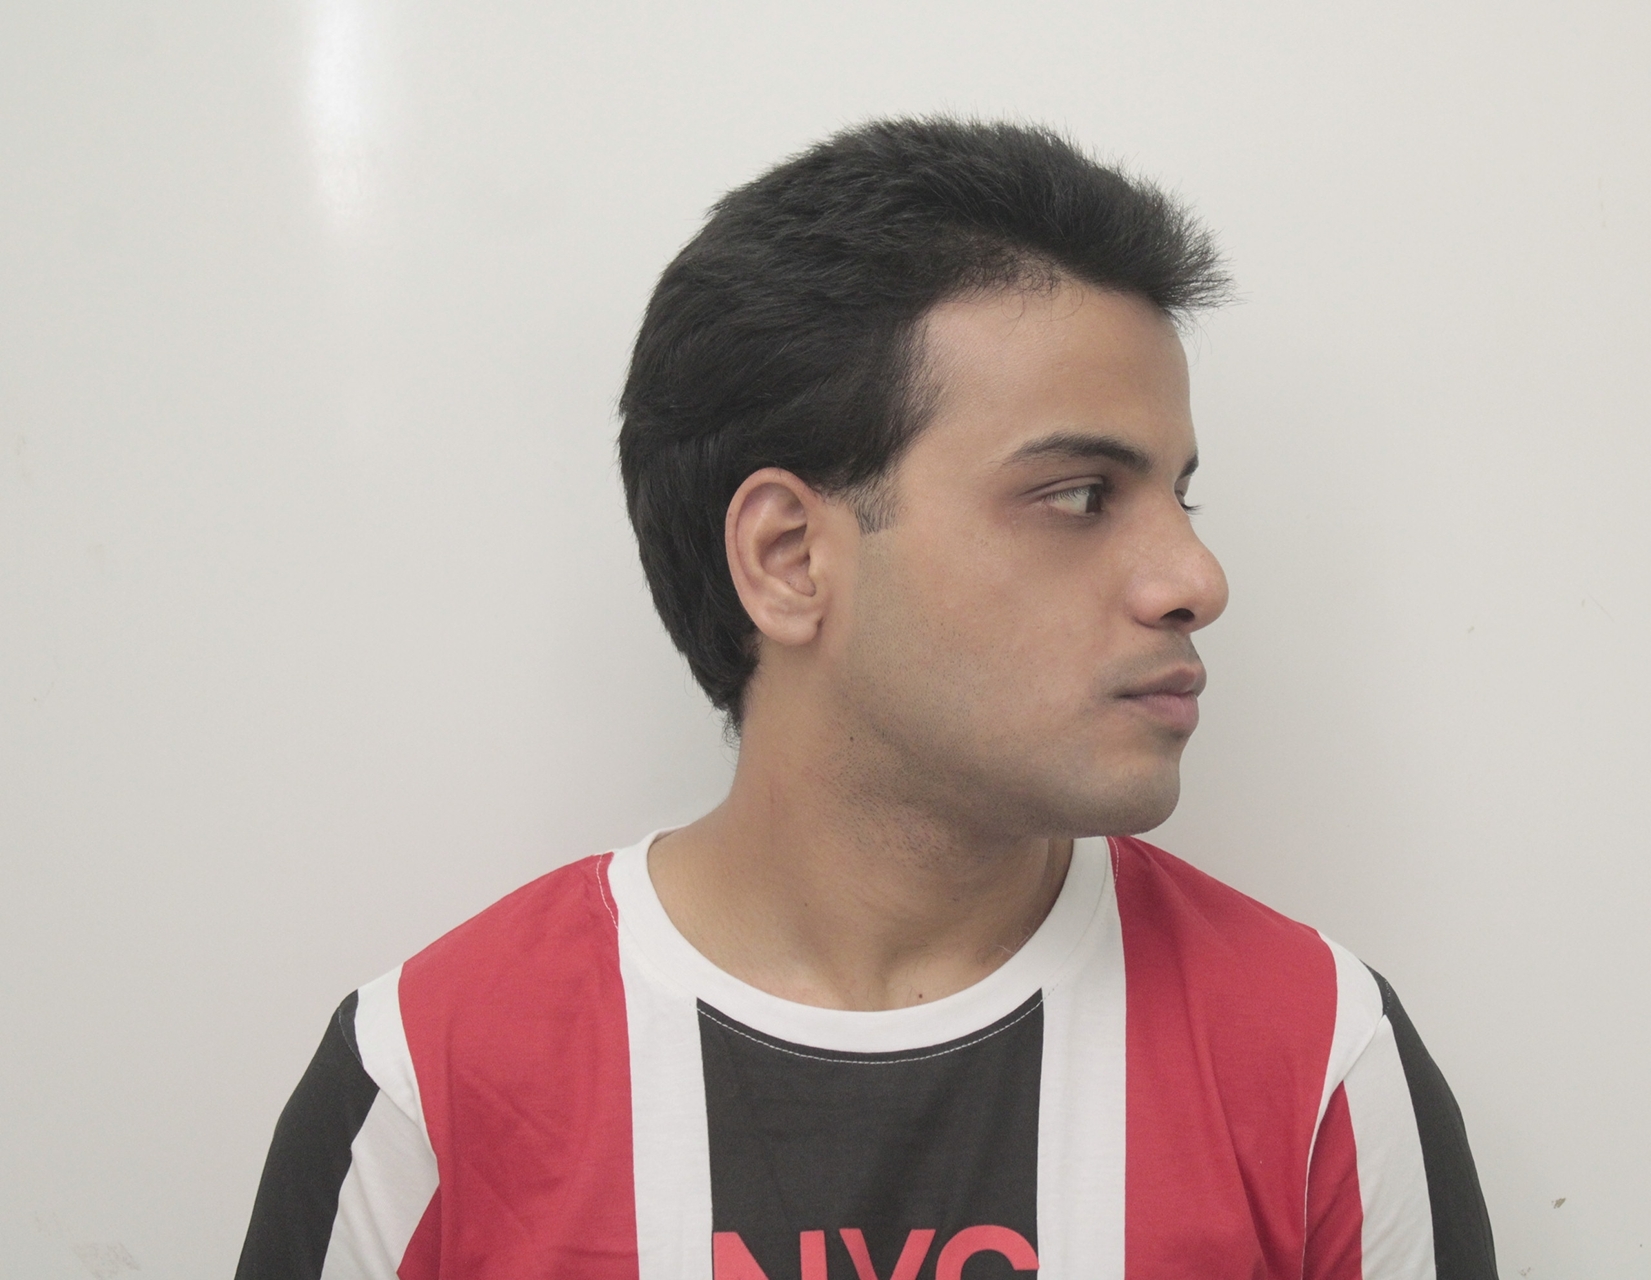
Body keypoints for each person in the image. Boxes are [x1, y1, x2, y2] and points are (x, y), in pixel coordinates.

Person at [236, 117, 1497, 1280]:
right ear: (789, 557)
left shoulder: (1319, 1058)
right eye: (1078, 495)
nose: (1195, 579)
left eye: (1181, 493)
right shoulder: (432, 1081)